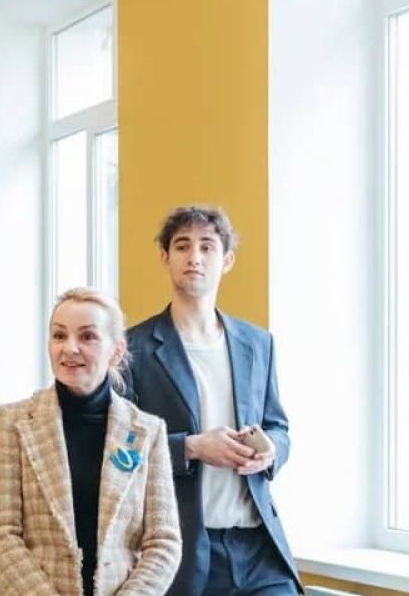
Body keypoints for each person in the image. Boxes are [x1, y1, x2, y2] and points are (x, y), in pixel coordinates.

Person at [123, 207, 300, 596]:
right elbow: (119, 449)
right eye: (182, 246)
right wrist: (192, 447)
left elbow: (278, 426)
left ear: (227, 260)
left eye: (207, 246)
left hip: (260, 548)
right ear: (165, 258)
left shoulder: (258, 343)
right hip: (184, 551)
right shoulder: (133, 348)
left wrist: (272, 450)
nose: (195, 257)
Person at [0, 288, 181, 596]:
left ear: (116, 351)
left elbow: (164, 542)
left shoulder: (147, 431)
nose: (70, 348)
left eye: (87, 337)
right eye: (59, 336)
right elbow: (0, 534)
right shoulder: (13, 422)